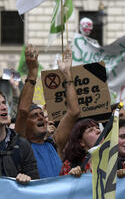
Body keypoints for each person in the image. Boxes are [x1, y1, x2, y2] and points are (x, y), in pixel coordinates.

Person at [15, 45, 81, 178]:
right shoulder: (22, 144)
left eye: (41, 115)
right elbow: (22, 111)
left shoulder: (55, 143)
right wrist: (33, 71)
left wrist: (68, 75)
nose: (41, 118)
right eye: (34, 116)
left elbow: (74, 112)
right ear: (25, 124)